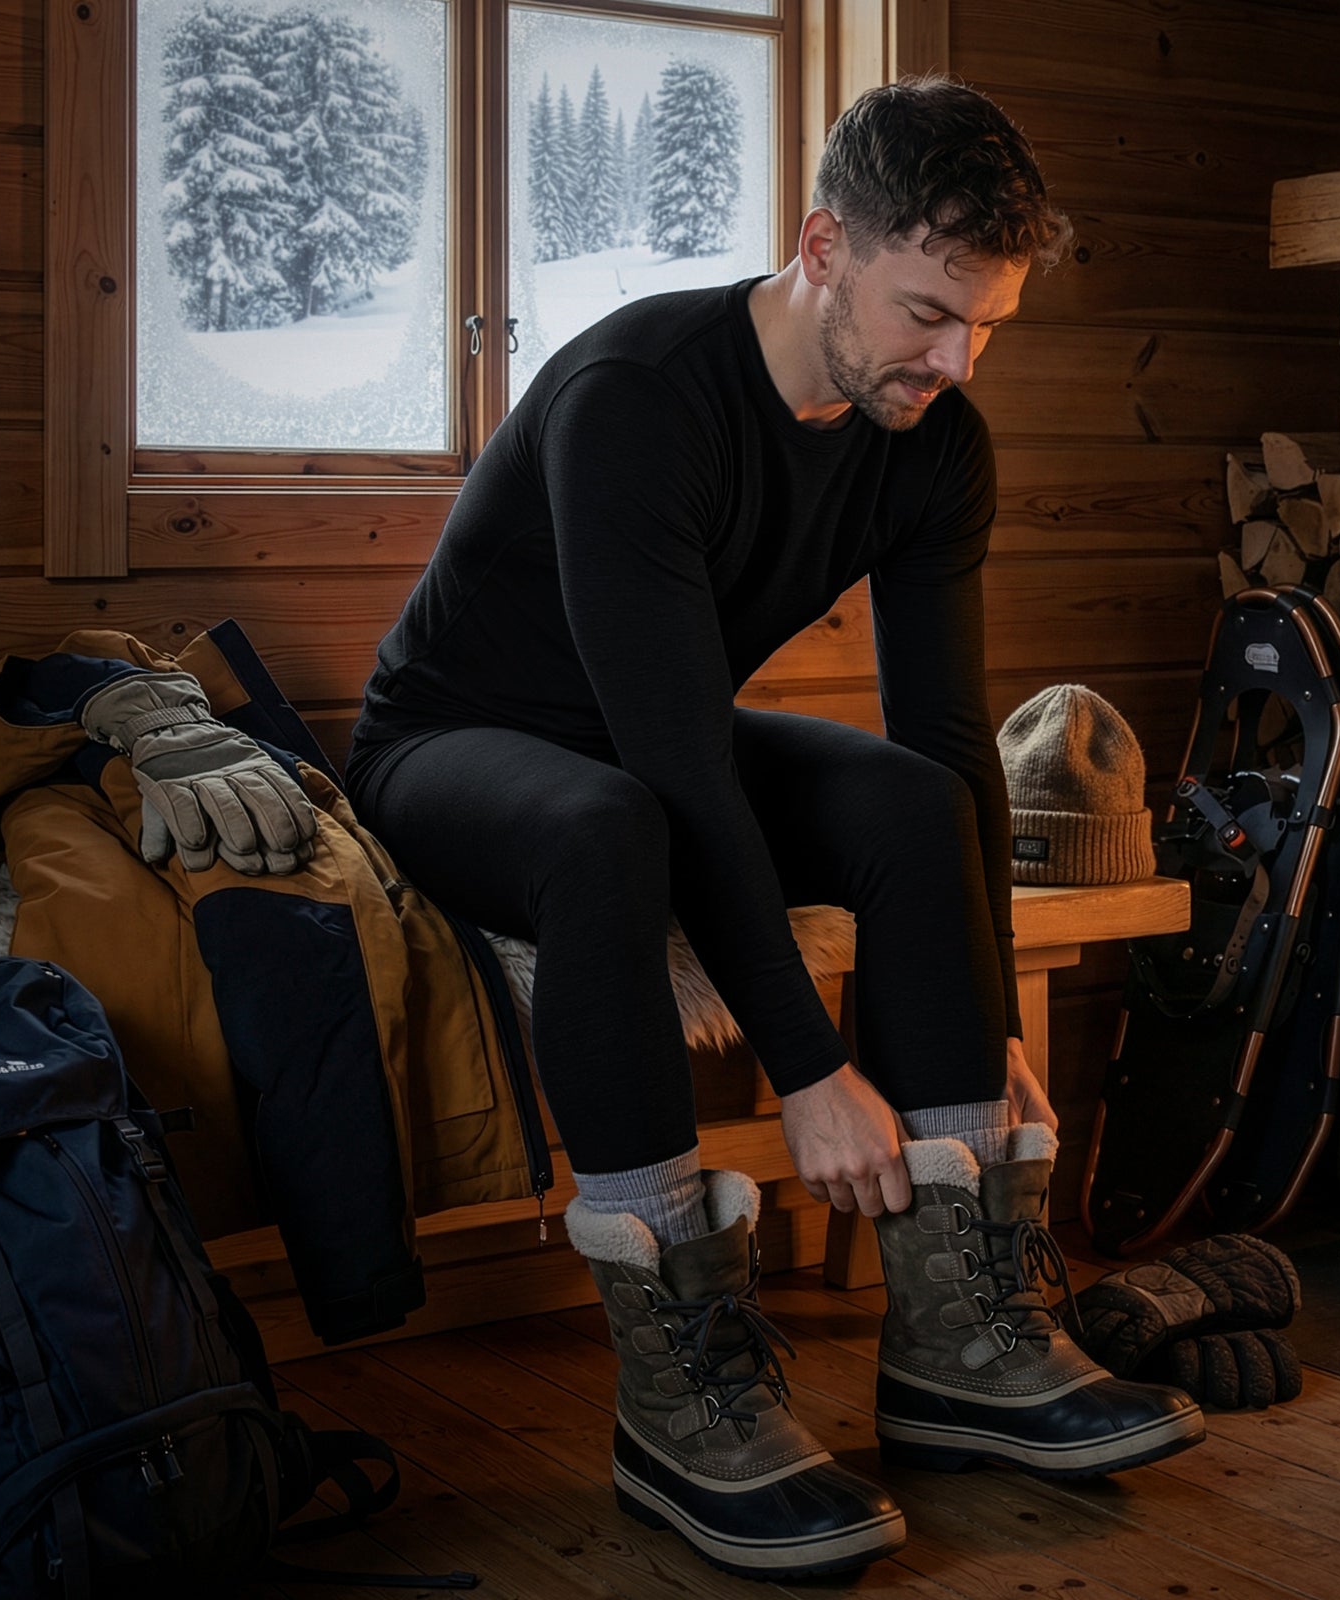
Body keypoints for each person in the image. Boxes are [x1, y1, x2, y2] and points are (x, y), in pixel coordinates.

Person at [346, 75, 1201, 1584]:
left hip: (644, 741)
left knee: (910, 800)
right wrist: (809, 1068)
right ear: (822, 246)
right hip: (455, 748)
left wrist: (990, 1025)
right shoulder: (637, 397)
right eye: (929, 313)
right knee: (610, 827)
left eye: (989, 324)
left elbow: (949, 741)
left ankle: (963, 1352)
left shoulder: (932, 438)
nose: (957, 360)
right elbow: (681, 772)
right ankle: (680, 1402)